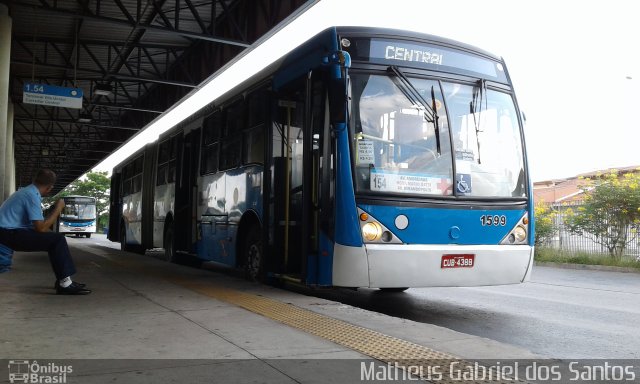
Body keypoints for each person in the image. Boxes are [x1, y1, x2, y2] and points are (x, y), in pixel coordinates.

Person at [0, 169, 91, 295]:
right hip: (7, 234)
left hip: (8, 232)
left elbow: (40, 227)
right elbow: (40, 228)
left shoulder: (28, 191)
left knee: (55, 239)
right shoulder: (31, 195)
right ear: (50, 188)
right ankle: (65, 284)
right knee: (57, 240)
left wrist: (51, 234)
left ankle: (63, 280)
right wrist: (58, 208)